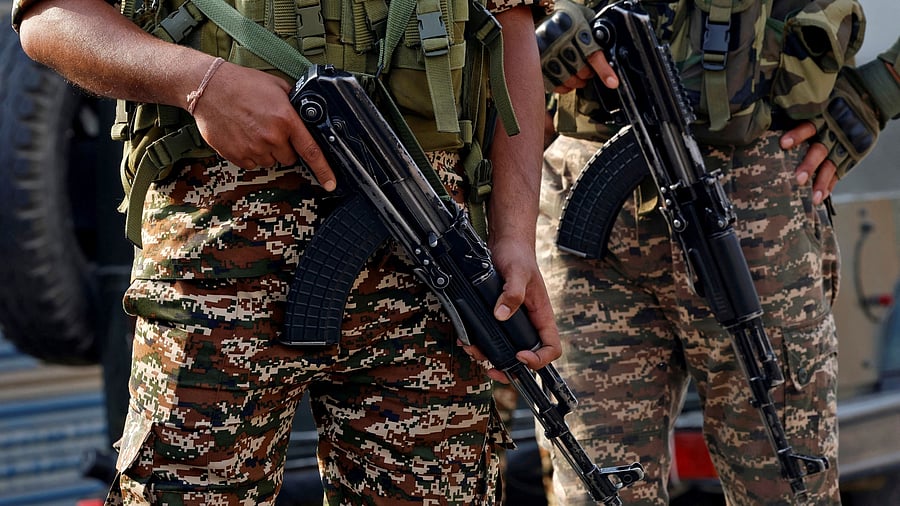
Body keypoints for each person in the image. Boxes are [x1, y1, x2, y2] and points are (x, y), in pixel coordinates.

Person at [13, 0, 561, 503]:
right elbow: (51, 17)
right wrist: (200, 83)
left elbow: (511, 30)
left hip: (427, 269)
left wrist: (514, 236)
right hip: (214, 274)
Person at [535, 0, 900, 504]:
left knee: (787, 486)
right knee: (595, 493)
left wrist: (882, 88)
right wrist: (542, 18)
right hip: (588, 198)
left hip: (755, 205)